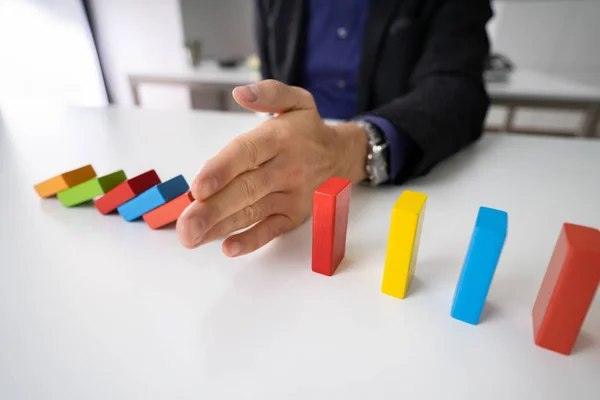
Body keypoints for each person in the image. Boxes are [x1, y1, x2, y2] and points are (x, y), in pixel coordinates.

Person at [177, 0, 493, 257]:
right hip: (293, 170)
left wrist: (346, 149)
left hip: (402, 175)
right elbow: (273, 66)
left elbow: (459, 90)